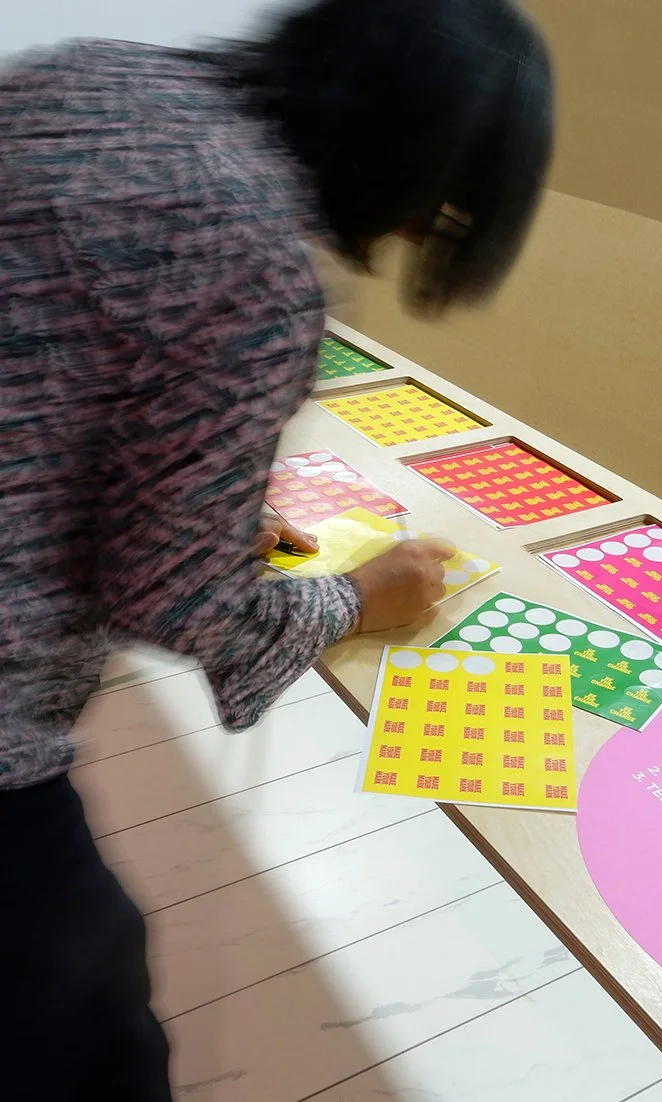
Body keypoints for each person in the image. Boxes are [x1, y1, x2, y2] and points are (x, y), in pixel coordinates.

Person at [0, 0, 553, 1097]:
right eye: (437, 213)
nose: (406, 240)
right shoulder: (252, 247)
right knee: (87, 1032)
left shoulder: (99, 76)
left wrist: (189, 497)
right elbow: (173, 595)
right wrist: (355, 597)